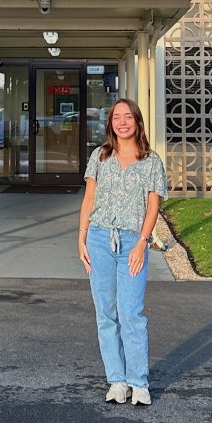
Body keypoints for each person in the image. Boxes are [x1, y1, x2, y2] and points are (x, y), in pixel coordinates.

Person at [77, 98, 167, 406]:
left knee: (131, 313)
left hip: (132, 241)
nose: (123, 122)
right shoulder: (100, 157)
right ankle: (116, 380)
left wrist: (143, 241)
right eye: (117, 117)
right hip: (99, 239)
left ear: (137, 122)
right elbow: (89, 199)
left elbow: (153, 204)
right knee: (106, 313)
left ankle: (138, 382)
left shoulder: (151, 161)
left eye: (128, 117)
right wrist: (81, 237)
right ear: (111, 123)